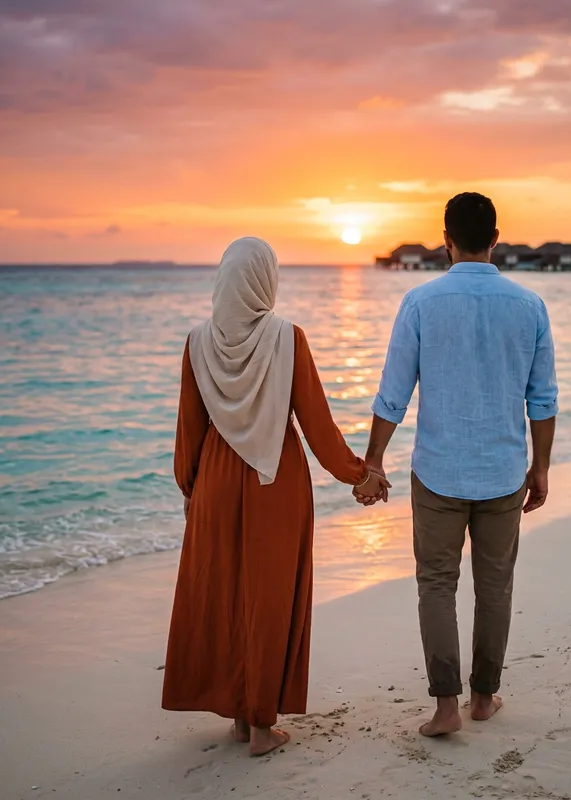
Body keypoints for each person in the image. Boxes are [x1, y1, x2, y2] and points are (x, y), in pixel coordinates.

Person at [162, 237, 388, 757]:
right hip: (275, 479)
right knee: (271, 595)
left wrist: (191, 491)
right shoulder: (288, 338)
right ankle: (263, 727)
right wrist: (361, 474)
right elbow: (316, 425)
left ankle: (240, 717)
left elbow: (188, 432)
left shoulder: (197, 342)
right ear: (266, 280)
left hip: (217, 480)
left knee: (224, 594)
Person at [357, 193, 558, 736]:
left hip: (439, 471)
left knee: (437, 585)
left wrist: (373, 460)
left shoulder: (421, 302)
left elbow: (392, 394)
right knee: (495, 586)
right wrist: (540, 467)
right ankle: (485, 697)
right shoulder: (529, 305)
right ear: (496, 238)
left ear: (446, 240)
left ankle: (446, 707)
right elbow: (543, 400)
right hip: (502, 472)